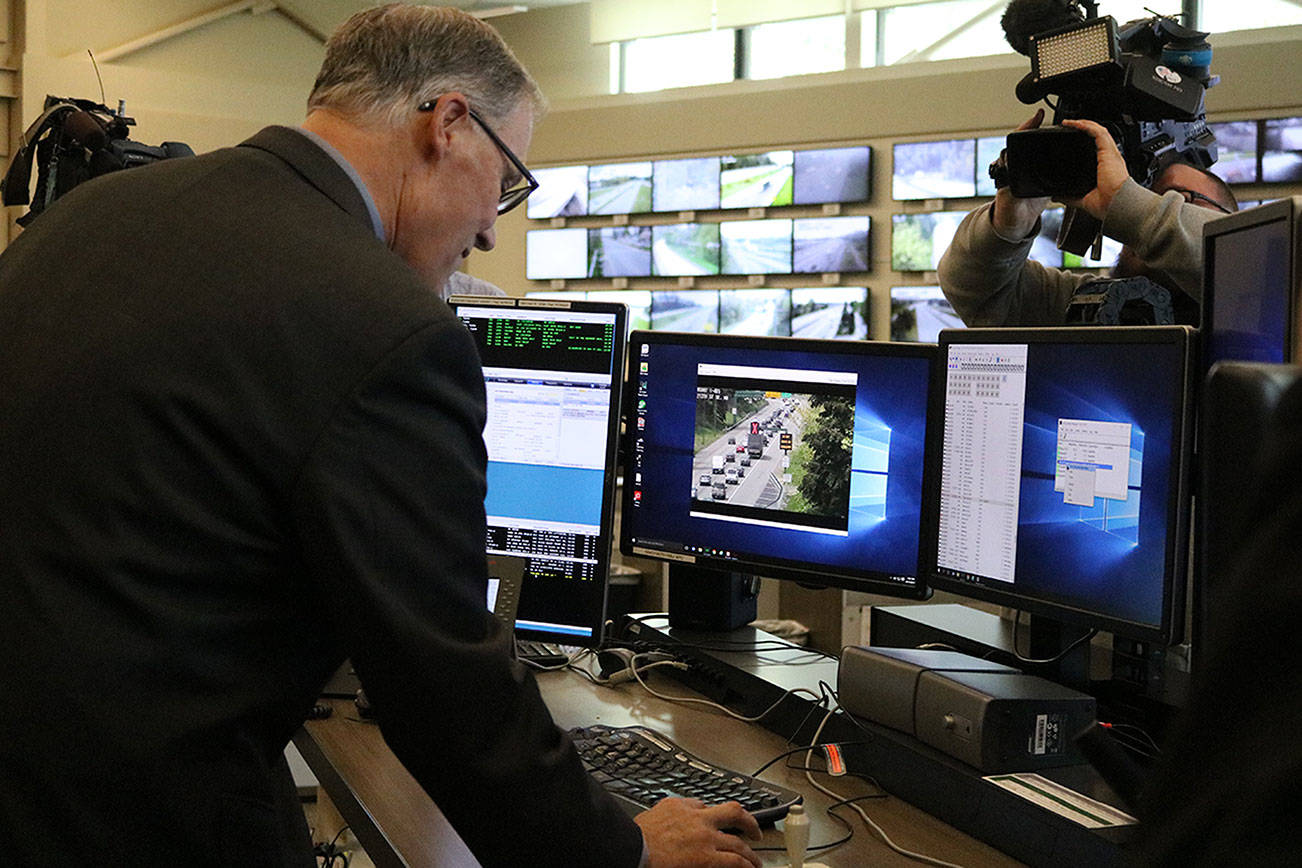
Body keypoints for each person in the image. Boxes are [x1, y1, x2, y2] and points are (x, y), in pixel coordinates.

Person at [0, 5, 761, 867]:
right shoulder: (381, 323)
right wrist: (619, 852)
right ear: (447, 123)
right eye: (506, 184)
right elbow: (445, 689)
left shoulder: (91, 217)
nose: (489, 229)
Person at [938, 110, 1238, 326]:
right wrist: (1009, 222)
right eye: (1147, 193)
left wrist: (1127, 202)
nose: (1152, 202)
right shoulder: (1091, 306)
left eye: (1178, 199)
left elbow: (1238, 262)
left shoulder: (1251, 313)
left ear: (1229, 218)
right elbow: (972, 289)